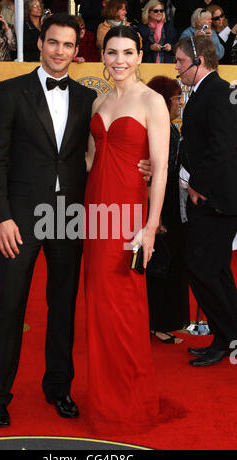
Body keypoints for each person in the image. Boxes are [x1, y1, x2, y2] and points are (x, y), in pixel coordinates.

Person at [0, 13, 97, 428]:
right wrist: (2, 219)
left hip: (68, 219)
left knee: (62, 307)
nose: (60, 52)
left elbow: (97, 154)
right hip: (21, 220)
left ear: (76, 48)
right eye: (53, 43)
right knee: (9, 306)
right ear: (40, 43)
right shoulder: (11, 92)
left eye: (68, 45)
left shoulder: (86, 98)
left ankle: (58, 387)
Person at [84, 25, 169, 434]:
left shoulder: (152, 101)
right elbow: (90, 158)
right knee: (99, 306)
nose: (119, 60)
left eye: (128, 52)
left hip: (128, 213)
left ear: (140, 56)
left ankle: (130, 403)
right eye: (112, 52)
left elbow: (162, 168)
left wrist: (151, 226)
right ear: (103, 55)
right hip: (95, 212)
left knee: (126, 308)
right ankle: (103, 402)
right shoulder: (99, 100)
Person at [175, 35, 237, 366]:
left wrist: (198, 184)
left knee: (204, 269)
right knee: (214, 270)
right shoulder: (206, 93)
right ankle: (227, 335)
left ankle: (226, 335)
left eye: (181, 62)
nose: (177, 69)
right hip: (210, 199)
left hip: (217, 200)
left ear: (199, 61)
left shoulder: (220, 91)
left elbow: (224, 146)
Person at [146, 75, 190, 344]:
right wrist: (157, 213)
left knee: (171, 262)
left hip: (173, 202)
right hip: (163, 203)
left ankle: (167, 320)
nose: (179, 104)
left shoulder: (170, 128)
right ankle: (157, 322)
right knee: (161, 264)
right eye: (176, 98)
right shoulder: (157, 128)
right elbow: (153, 173)